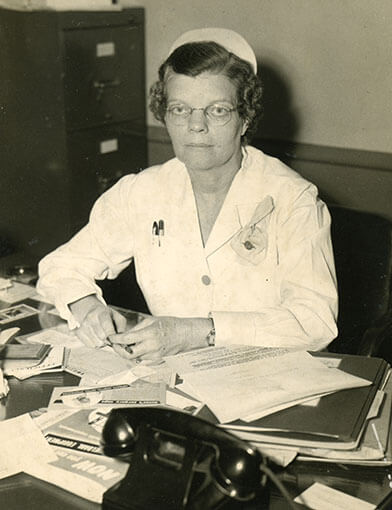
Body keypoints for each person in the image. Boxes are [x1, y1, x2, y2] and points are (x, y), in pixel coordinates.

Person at [37, 28, 338, 362]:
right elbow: (60, 267)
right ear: (164, 115)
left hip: (270, 381)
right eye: (181, 109)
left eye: (218, 110)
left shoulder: (294, 199)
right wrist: (88, 307)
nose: (196, 126)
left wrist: (197, 332)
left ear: (246, 117)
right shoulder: (141, 192)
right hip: (176, 380)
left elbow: (315, 322)